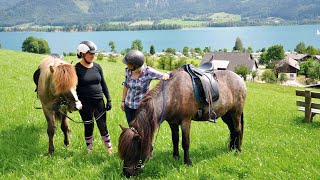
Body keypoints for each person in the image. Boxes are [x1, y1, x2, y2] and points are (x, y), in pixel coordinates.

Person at [75, 40, 113, 154]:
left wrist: (109, 99)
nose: (93, 56)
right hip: (84, 103)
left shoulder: (97, 67)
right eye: (90, 54)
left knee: (103, 126)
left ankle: (109, 149)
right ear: (82, 54)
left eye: (94, 54)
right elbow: (72, 88)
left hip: (99, 101)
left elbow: (103, 83)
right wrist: (75, 102)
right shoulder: (76, 69)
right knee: (88, 126)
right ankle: (89, 150)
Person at [121, 50, 170, 124]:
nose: (127, 65)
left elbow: (163, 75)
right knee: (131, 129)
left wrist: (166, 74)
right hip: (129, 105)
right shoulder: (128, 71)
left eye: (129, 64)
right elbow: (126, 85)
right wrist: (123, 101)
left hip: (142, 108)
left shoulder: (148, 72)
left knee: (141, 130)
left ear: (136, 65)